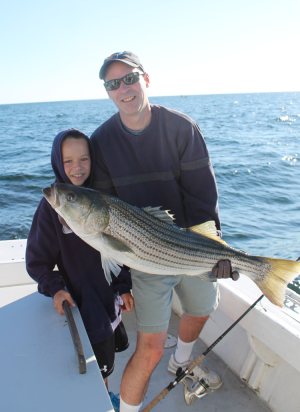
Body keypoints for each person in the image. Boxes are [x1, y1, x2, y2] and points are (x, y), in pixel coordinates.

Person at [91, 52, 239, 412]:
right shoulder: (101, 141)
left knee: (203, 308)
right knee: (151, 347)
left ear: (147, 79)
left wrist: (214, 249)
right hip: (144, 253)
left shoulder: (181, 127)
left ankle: (183, 361)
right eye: (113, 84)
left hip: (190, 244)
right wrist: (123, 278)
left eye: (130, 78)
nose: (123, 88)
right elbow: (105, 214)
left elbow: (203, 198)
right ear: (108, 93)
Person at [26, 128, 134, 412]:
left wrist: (123, 285)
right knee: (91, 363)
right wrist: (54, 287)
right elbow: (37, 261)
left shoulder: (103, 199)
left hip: (108, 300)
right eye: (68, 160)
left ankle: (103, 397)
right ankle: (96, 401)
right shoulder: (53, 204)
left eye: (84, 159)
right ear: (57, 162)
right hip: (81, 303)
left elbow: (120, 251)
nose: (77, 167)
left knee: (105, 366)